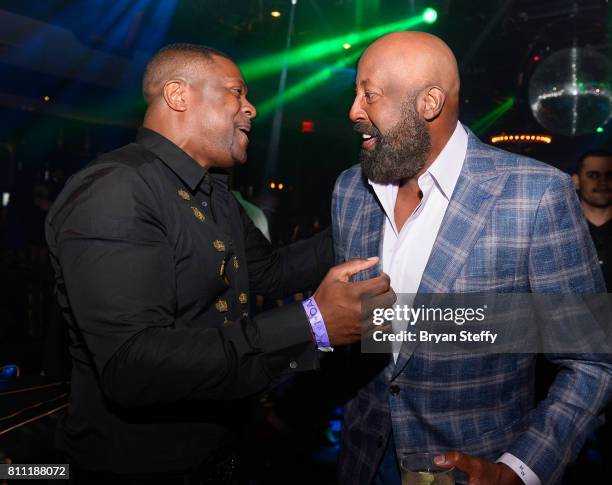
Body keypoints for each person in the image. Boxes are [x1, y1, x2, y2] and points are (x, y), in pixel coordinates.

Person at [46, 43, 393, 484]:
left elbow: (272, 271)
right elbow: (132, 366)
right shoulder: (117, 188)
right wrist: (311, 322)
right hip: (137, 469)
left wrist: (366, 216)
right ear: (178, 95)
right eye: (236, 92)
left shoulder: (213, 193)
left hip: (222, 454)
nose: (251, 108)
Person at [331, 32, 611, 485]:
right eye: (355, 94)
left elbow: (593, 361)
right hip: (362, 460)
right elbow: (363, 342)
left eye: (370, 95)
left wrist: (521, 469)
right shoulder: (350, 190)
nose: (354, 111)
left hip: (477, 466)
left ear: (429, 103)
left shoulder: (534, 194)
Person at [572, 150, 611, 289]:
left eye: (610, 175)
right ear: (576, 181)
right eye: (593, 175)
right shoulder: (560, 232)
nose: (603, 183)